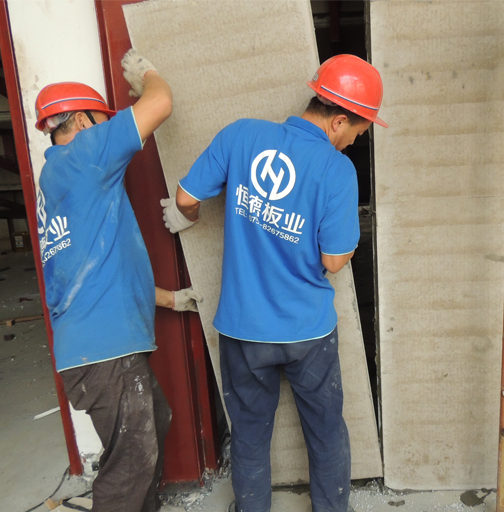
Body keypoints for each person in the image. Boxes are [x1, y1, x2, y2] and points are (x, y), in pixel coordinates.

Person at [162, 54, 386, 512]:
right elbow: (334, 261)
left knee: (248, 435)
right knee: (326, 433)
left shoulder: (240, 135)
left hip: (242, 329)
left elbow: (185, 197)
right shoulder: (336, 170)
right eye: (358, 133)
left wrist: (190, 218)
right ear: (339, 122)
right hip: (307, 332)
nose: (353, 143)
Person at [34, 50, 198, 512]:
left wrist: (173, 300)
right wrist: (148, 74)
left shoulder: (59, 177)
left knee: (151, 429)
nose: (109, 131)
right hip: (105, 354)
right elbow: (160, 103)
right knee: (130, 465)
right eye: (102, 122)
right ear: (82, 121)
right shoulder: (83, 155)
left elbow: (102, 271)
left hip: (94, 350)